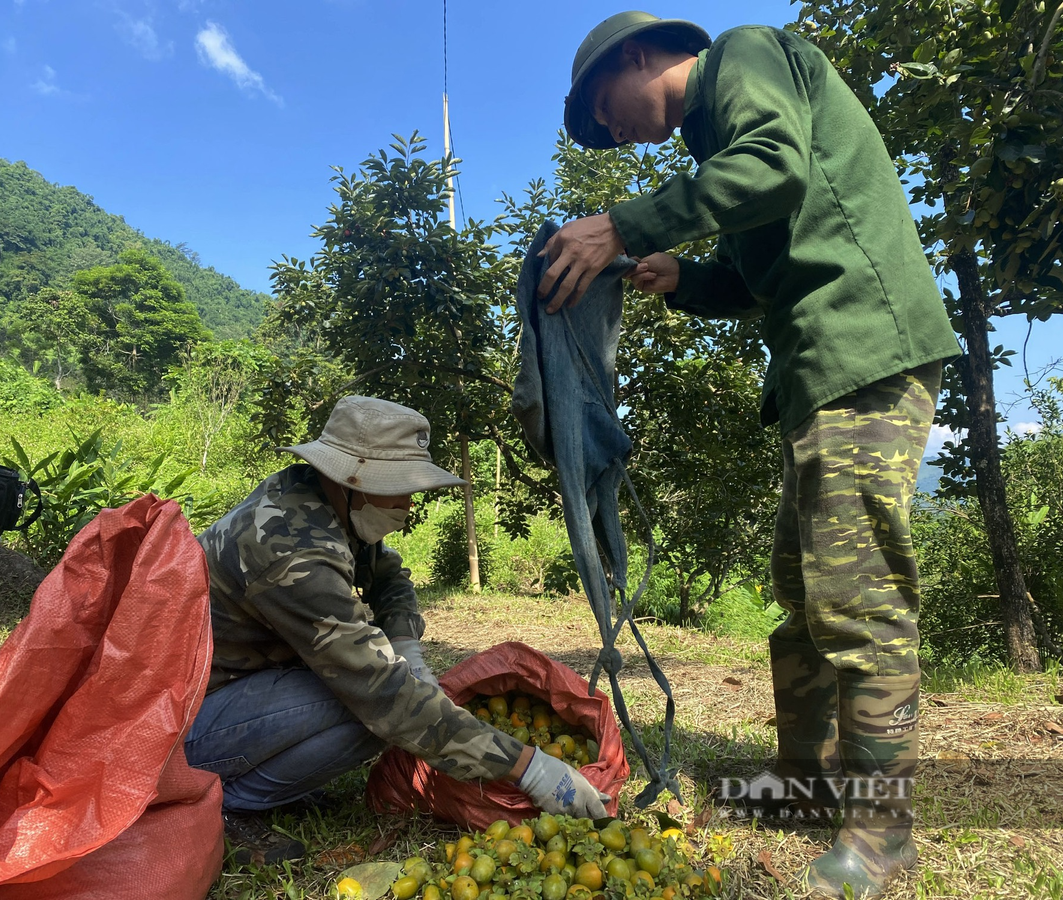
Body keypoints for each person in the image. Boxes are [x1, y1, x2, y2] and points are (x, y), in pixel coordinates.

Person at [546, 12, 962, 898]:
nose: (610, 136)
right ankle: (805, 783)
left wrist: (620, 226)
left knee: (857, 596)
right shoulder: (714, 153)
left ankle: (883, 831)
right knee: (804, 593)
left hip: (866, 349)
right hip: (819, 368)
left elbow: (777, 168)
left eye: (602, 111)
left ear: (639, 54)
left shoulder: (743, 56)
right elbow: (753, 273)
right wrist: (681, 276)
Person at [184, 396, 608, 862]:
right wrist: (528, 768)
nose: (407, 502)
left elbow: (388, 576)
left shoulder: (323, 501)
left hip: (232, 691)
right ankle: (224, 800)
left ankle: (255, 784)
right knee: (369, 709)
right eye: (399, 486)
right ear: (353, 478)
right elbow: (383, 693)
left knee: (385, 698)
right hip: (183, 722)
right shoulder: (292, 551)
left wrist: (406, 643)